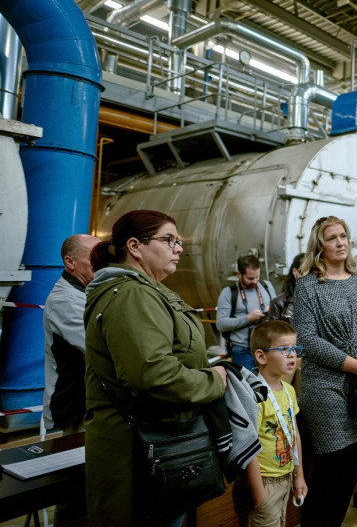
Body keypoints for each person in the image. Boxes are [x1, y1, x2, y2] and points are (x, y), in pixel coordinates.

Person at [84, 210, 228, 527]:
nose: (178, 248)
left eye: (178, 241)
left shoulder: (146, 291)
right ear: (135, 246)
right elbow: (152, 373)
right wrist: (214, 381)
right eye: (168, 240)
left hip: (158, 448)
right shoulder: (132, 295)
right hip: (138, 455)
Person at [293, 216, 357, 527]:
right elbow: (307, 340)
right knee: (332, 463)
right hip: (326, 386)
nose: (340, 242)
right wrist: (355, 365)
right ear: (319, 246)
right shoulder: (308, 286)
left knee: (353, 464)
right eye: (332, 238)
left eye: (344, 236)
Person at [233, 320, 307, 527]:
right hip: (262, 481)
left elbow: (294, 435)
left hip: (285, 477)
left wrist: (298, 475)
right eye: (284, 349)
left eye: (294, 348)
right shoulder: (253, 395)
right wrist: (259, 495)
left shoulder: (289, 390)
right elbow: (246, 446)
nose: (292, 354)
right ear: (261, 356)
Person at [42, 233, 100, 434]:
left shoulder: (88, 292)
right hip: (75, 409)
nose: (101, 264)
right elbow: (99, 345)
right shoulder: (65, 301)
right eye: (94, 257)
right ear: (70, 262)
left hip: (92, 404)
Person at [217, 254, 276, 371]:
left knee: (268, 387)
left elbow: (277, 315)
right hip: (242, 350)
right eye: (250, 278)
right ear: (239, 274)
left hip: (268, 347)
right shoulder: (229, 293)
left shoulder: (267, 286)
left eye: (257, 277)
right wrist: (248, 318)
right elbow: (221, 324)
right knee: (246, 387)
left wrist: (271, 312)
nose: (255, 281)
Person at [268, 254, 303, 322]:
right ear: (295, 271)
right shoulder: (279, 303)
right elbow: (273, 331)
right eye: (303, 272)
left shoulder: (321, 300)